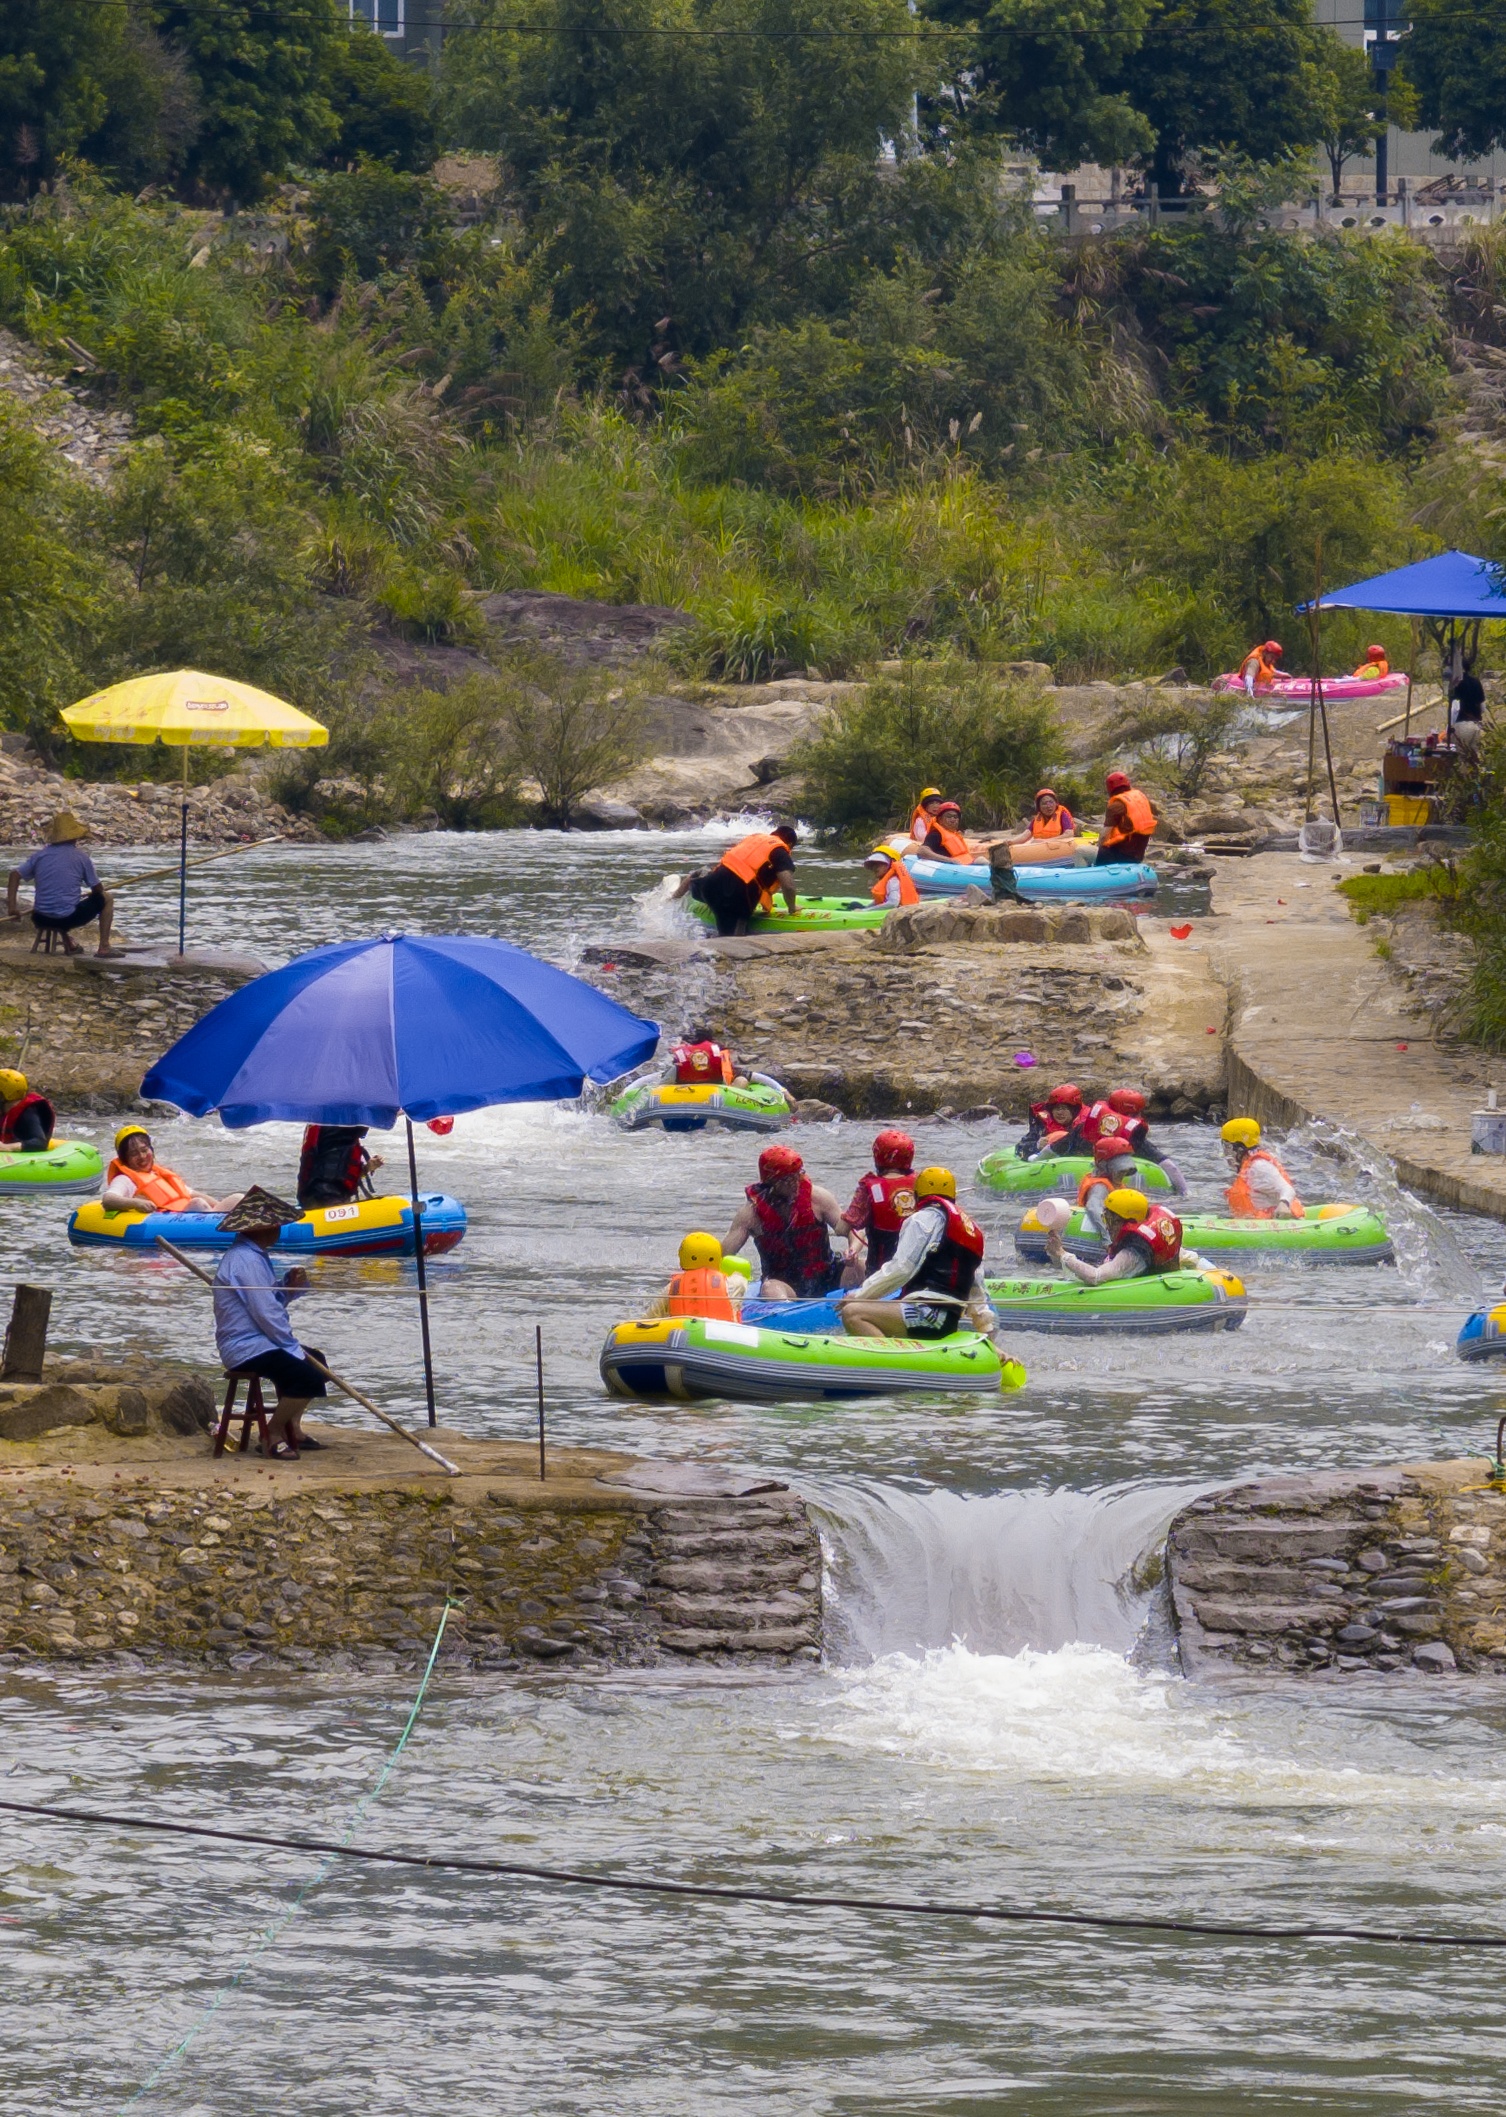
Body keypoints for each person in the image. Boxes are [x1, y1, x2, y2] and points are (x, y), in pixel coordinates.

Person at [211, 1188, 328, 1458]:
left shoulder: (255, 1256)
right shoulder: (244, 1260)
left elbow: (270, 1300)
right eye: (275, 1224)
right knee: (307, 1375)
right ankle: (272, 1433)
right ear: (261, 1228)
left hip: (260, 1341)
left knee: (317, 1360)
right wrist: (291, 1346)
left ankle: (293, 1428)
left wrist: (288, 1286)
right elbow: (266, 1313)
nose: (279, 1230)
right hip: (245, 1347)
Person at [840, 1166, 998, 1341]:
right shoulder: (969, 1229)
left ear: (917, 1195)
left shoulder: (920, 1220)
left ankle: (890, 1362)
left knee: (852, 1313)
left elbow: (901, 1268)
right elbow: (976, 1284)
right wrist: (985, 1326)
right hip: (948, 1319)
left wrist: (861, 1295)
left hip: (927, 1314)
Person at [723, 1142, 858, 1300]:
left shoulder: (818, 1198)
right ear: (771, 1183)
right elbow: (723, 1254)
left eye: (798, 1176)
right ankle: (785, 1315)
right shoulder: (750, 1214)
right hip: (785, 1285)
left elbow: (851, 1229)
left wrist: (853, 1248)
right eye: (787, 1180)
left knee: (862, 1265)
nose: (796, 1183)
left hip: (829, 1275)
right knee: (770, 1288)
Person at [7, 811, 119, 957]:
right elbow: (97, 889)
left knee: (62, 904)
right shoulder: (81, 857)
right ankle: (104, 947)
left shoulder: (40, 855)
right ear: (75, 837)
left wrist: (12, 908)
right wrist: (94, 892)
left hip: (40, 917)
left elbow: (14, 875)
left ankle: (69, 942)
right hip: (67, 918)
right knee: (106, 898)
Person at [676, 825, 799, 936]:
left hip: (711, 884)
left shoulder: (754, 838)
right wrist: (792, 908)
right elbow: (788, 885)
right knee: (733, 941)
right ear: (789, 844)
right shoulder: (780, 850)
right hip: (738, 897)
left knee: (698, 877)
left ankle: (673, 897)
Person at [1046, 1185, 1182, 1286]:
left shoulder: (1134, 1252)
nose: (1107, 1226)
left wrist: (1062, 1254)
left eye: (1110, 1220)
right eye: (1105, 1218)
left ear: (1127, 1222)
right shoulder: (1150, 1232)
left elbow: (1095, 1277)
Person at [1063, 1087, 1188, 1195]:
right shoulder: (1134, 1137)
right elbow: (1171, 1167)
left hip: (1077, 1180)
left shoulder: (1083, 1128)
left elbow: (1051, 1150)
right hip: (1117, 1185)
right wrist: (1185, 1194)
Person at [100, 1124, 241, 1213]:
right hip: (174, 1221)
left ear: (151, 1150)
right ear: (125, 1159)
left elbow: (192, 1193)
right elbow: (108, 1200)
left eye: (145, 1150)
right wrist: (136, 1203)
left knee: (237, 1198)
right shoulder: (125, 1179)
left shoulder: (159, 1173)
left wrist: (219, 1207)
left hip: (194, 1213)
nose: (142, 1156)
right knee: (198, 1203)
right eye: (134, 1153)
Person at [845, 1129, 917, 1271]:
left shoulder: (869, 1187)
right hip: (917, 1272)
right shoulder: (923, 1182)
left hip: (882, 1273)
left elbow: (847, 1226)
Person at [645, 1232, 744, 1320]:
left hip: (681, 1334)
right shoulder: (735, 1283)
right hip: (722, 1335)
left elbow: (648, 1320)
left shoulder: (672, 1287)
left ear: (683, 1256)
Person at [1220, 1117, 1304, 1218]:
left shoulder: (1259, 1166)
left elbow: (1287, 1189)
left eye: (1227, 1147)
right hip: (1257, 1221)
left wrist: (1284, 1204)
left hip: (1278, 1224)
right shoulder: (1249, 1166)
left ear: (1239, 1147)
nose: (1225, 1153)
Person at [296, 1124, 383, 1209]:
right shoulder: (336, 1130)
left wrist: (367, 1168)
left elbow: (338, 1171)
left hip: (320, 1195)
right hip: (324, 1196)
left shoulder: (339, 1138)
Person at [1096, 771, 1157, 866]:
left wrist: (1097, 845)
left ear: (1110, 788)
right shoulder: (1141, 800)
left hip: (1118, 856)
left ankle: (1085, 876)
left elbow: (1104, 836)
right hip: (1137, 857)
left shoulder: (1115, 806)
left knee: (1081, 851)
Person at [1015, 1081, 1084, 1160]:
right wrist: (1037, 1145)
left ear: (1074, 1111)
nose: (1059, 1113)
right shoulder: (1043, 1127)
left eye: (1064, 1109)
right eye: (1056, 1109)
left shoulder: (1082, 1127)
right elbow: (1020, 1149)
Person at [0, 1070, 54, 1155]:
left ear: (3, 1096)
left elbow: (40, 1142)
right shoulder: (4, 1109)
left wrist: (7, 1148)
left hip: (24, 1156)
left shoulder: (27, 1113)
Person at [1009, 788, 1076, 844]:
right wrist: (1011, 842)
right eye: (1044, 803)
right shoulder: (1037, 819)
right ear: (1039, 807)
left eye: (1051, 802)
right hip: (1043, 849)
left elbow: (1069, 834)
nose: (1048, 806)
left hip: (1060, 847)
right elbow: (1025, 835)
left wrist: (1044, 841)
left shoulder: (1062, 814)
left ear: (1056, 803)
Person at [864, 843, 920, 908]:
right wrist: (866, 908)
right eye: (873, 865)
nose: (875, 868)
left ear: (891, 864)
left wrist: (865, 911)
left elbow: (893, 903)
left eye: (880, 864)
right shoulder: (886, 880)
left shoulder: (893, 881)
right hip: (890, 908)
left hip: (900, 911)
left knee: (853, 906)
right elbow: (878, 901)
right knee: (854, 904)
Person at [1451, 668, 1486, 758]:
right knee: (1476, 759)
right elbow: (1483, 707)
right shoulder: (1476, 682)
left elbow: (1454, 709)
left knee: (1461, 758)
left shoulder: (1455, 684)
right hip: (1476, 725)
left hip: (1461, 724)